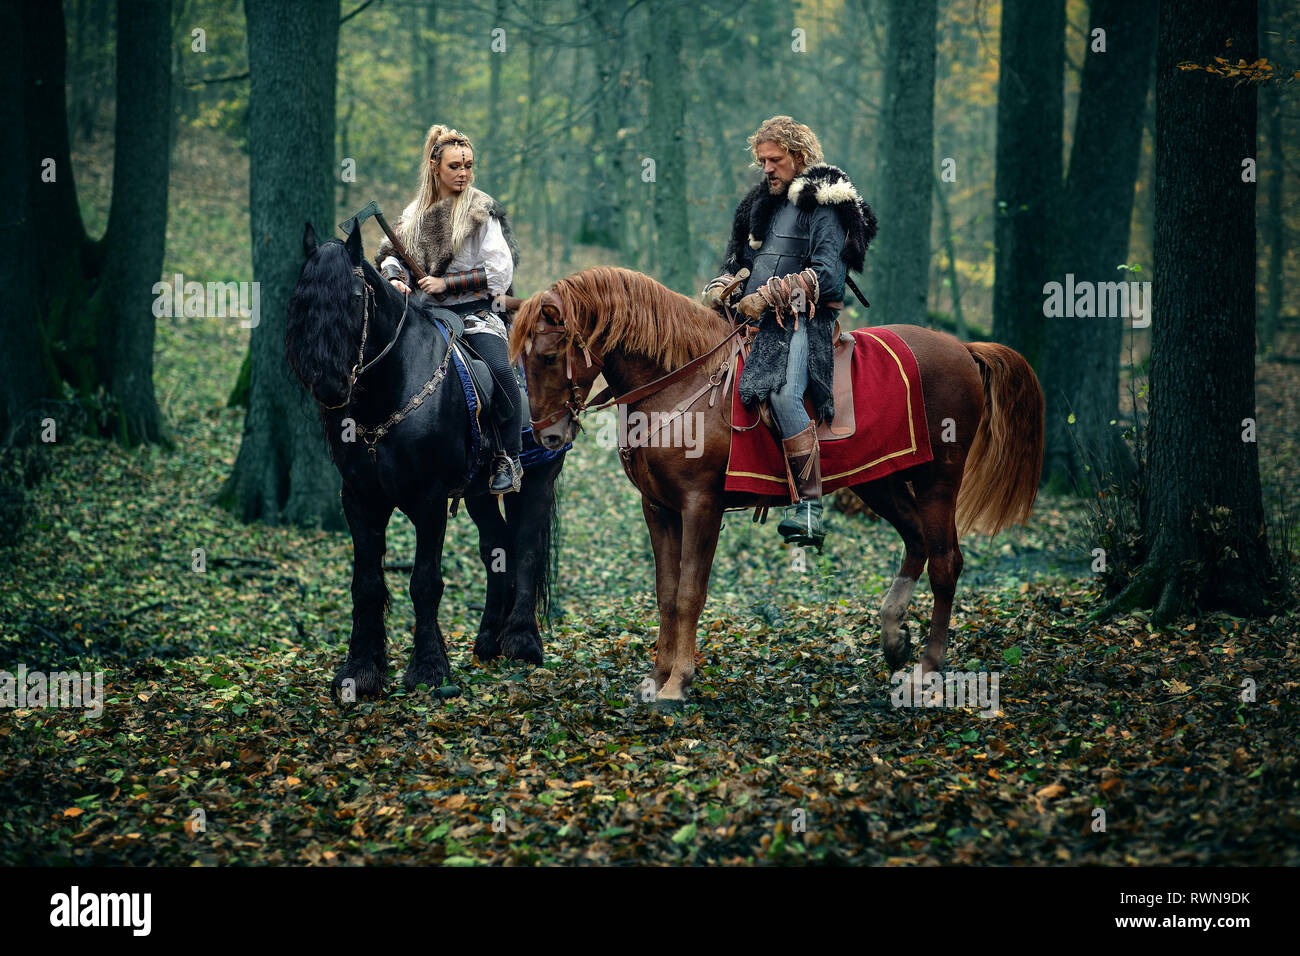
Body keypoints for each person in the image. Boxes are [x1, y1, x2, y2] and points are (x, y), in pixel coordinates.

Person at [703, 116, 876, 549]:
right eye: (761, 160)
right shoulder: (757, 205)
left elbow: (828, 277)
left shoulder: (825, 202)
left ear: (798, 157)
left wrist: (769, 297)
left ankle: (811, 508)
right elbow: (738, 261)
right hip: (750, 323)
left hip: (804, 320)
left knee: (782, 392)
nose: (766, 168)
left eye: (775, 159)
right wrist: (725, 284)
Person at [375, 124, 525, 495]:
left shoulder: (481, 210)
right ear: (434, 167)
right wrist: (395, 278)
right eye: (456, 166)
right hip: (425, 315)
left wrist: (447, 283)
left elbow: (500, 270)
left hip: (475, 313)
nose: (464, 174)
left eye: (469, 166)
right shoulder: (414, 214)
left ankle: (507, 456)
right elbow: (392, 255)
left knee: (501, 374)